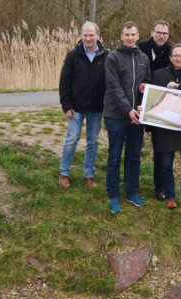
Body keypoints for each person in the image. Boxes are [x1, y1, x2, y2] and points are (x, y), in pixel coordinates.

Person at [103, 22, 152, 214]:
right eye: (126, 34)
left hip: (137, 116)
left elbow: (146, 83)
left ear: (138, 35)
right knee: (114, 156)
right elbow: (114, 87)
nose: (130, 38)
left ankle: (132, 192)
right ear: (121, 36)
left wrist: (143, 91)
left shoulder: (143, 58)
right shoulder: (112, 58)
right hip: (116, 114)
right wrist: (128, 110)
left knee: (134, 155)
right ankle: (113, 195)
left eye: (133, 34)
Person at [58, 21, 108, 189]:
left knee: (93, 141)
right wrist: (66, 105)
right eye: (85, 35)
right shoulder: (73, 55)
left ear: (97, 36)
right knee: (72, 140)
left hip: (96, 108)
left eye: (91, 35)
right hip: (76, 107)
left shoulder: (106, 56)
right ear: (81, 36)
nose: (88, 38)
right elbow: (64, 81)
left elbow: (110, 83)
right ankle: (64, 173)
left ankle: (89, 174)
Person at [150, 43, 181, 209]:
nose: (179, 58)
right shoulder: (158, 74)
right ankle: (170, 196)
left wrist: (179, 87)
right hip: (165, 127)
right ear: (170, 57)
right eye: (175, 55)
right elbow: (153, 98)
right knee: (165, 164)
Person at [139, 20, 173, 201]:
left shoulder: (171, 52)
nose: (162, 36)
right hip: (138, 104)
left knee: (160, 149)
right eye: (159, 32)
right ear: (152, 33)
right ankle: (131, 182)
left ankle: (159, 186)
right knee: (133, 146)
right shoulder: (140, 48)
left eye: (165, 34)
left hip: (161, 106)